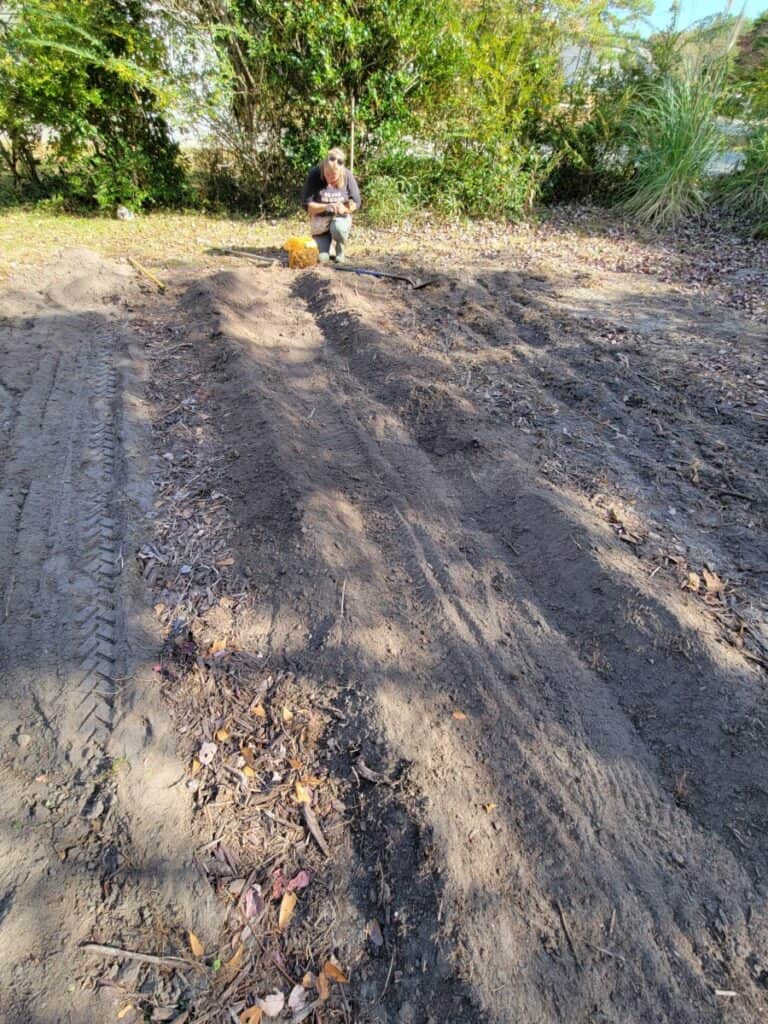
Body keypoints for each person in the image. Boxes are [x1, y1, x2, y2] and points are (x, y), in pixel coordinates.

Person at [301, 147, 361, 263]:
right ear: (323, 167)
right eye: (327, 174)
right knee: (321, 258)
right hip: (320, 220)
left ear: (341, 172)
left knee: (338, 227)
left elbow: (356, 202)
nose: (330, 178)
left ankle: (340, 248)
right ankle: (327, 247)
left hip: (339, 219)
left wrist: (346, 209)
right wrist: (325, 207)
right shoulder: (314, 174)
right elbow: (306, 205)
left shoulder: (347, 175)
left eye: (334, 176)